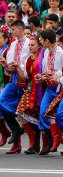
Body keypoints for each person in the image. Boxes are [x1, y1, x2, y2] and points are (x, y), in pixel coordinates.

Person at [0, 21, 30, 150]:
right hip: (14, 79)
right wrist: (5, 65)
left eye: (13, 29)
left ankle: (34, 143)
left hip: (26, 78)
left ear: (20, 28)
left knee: (25, 111)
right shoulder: (12, 44)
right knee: (2, 100)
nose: (11, 31)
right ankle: (15, 128)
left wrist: (18, 67)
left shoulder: (29, 43)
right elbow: (10, 67)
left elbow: (30, 62)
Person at [36, 29, 63, 155]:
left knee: (61, 116)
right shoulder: (46, 52)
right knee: (43, 113)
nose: (40, 42)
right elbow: (45, 70)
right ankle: (49, 141)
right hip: (49, 88)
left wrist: (52, 74)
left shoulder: (61, 52)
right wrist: (42, 76)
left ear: (47, 40)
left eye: (42, 40)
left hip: (59, 88)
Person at [13, 35, 44, 154]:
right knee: (20, 111)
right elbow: (25, 76)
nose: (30, 47)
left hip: (41, 89)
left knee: (39, 117)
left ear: (38, 46)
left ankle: (42, 144)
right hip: (30, 90)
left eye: (33, 45)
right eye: (29, 45)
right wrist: (17, 67)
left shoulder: (42, 57)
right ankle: (33, 139)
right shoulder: (28, 59)